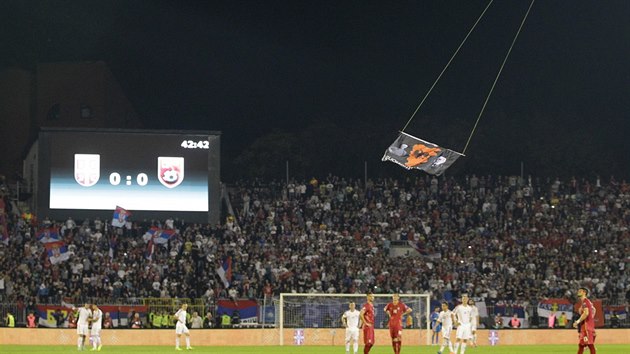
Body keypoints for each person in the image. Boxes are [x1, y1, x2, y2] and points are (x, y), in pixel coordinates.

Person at [573, 287, 596, 354]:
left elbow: (586, 313)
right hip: (585, 326)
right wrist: (591, 319)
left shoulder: (585, 302)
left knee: (590, 345)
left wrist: (577, 321)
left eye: (580, 291)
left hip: (586, 326)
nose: (578, 292)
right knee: (581, 345)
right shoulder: (586, 302)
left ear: (584, 292)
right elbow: (594, 310)